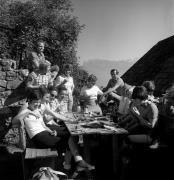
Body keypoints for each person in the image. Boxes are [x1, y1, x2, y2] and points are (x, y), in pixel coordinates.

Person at [16, 89, 95, 172]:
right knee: (70, 139)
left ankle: (76, 162)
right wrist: (28, 112)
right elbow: (15, 121)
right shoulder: (26, 107)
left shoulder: (37, 108)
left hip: (43, 133)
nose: (38, 103)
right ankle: (75, 163)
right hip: (37, 137)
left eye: (39, 101)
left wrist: (52, 130)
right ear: (30, 100)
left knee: (70, 137)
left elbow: (44, 123)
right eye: (36, 101)